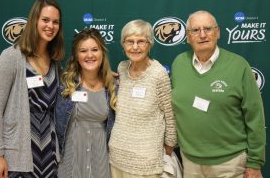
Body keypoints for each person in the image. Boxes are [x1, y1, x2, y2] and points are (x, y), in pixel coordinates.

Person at [171, 10, 266, 178]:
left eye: (207, 29)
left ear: (218, 32)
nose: (202, 35)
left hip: (230, 163)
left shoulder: (239, 65)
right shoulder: (179, 63)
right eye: (195, 30)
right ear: (187, 36)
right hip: (190, 163)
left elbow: (255, 116)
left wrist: (255, 162)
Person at [0, 0, 65, 178]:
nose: (51, 26)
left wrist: (105, 75)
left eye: (56, 22)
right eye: (45, 20)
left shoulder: (55, 62)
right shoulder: (12, 57)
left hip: (48, 153)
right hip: (16, 154)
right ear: (34, 21)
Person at [109, 19, 177, 177]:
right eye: (129, 41)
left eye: (141, 41)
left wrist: (170, 145)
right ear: (123, 44)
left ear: (150, 44)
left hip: (146, 161)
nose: (134, 47)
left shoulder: (158, 74)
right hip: (116, 156)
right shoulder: (122, 68)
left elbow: (169, 114)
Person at [55, 28, 116, 178]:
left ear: (102, 52)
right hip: (71, 159)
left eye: (95, 50)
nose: (89, 55)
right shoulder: (65, 84)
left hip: (100, 160)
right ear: (76, 55)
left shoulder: (113, 86)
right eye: (83, 51)